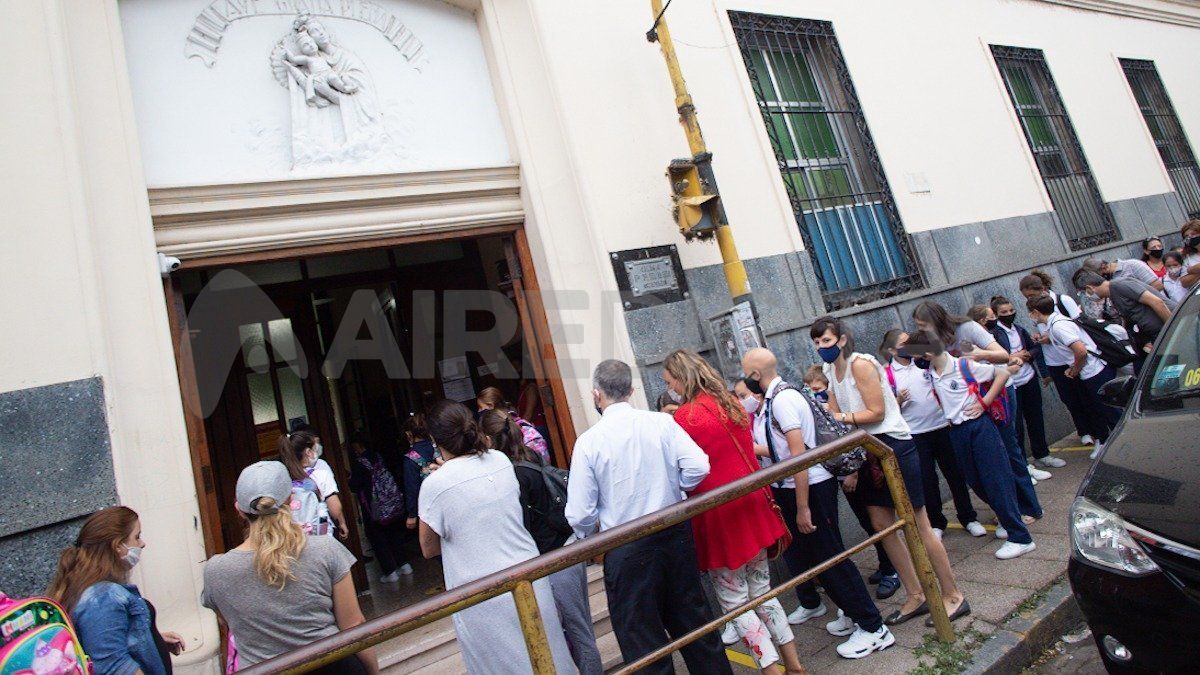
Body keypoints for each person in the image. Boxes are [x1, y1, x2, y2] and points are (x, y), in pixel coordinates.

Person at [565, 360, 731, 675]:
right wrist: (675, 488)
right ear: (630, 390)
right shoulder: (661, 423)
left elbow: (579, 513)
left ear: (596, 395)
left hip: (626, 546)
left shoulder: (589, 442)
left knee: (641, 640)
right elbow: (698, 465)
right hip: (673, 532)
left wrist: (590, 537)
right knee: (695, 624)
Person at [807, 318, 968, 628]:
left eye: (825, 341)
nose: (821, 348)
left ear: (841, 340)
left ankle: (952, 595)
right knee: (881, 523)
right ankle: (916, 593)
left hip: (892, 446)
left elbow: (876, 411)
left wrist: (837, 416)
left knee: (918, 523)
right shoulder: (829, 371)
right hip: (865, 449)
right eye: (816, 343)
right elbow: (842, 416)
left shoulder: (861, 364)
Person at [741, 347, 895, 658]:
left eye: (747, 374)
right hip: (799, 487)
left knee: (831, 558)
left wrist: (802, 506)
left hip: (809, 488)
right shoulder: (775, 398)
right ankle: (854, 614)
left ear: (756, 375)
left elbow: (798, 456)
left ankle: (873, 626)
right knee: (820, 560)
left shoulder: (783, 400)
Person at [662, 350, 806, 673]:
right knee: (763, 592)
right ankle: (794, 664)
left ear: (681, 378)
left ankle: (770, 669)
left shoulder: (685, 418)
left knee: (735, 604)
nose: (669, 387)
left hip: (718, 517)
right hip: (752, 506)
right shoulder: (728, 401)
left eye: (670, 381)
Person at [418, 401, 574, 674]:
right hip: (527, 573)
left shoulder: (435, 484)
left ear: (436, 440)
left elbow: (428, 547)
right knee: (548, 656)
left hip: (481, 589)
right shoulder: (500, 460)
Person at [201, 461, 379, 673]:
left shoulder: (216, 571)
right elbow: (353, 625)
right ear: (291, 499)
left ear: (238, 509)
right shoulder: (326, 550)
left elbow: (229, 621)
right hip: (332, 665)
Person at [479, 409, 603, 675]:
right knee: (577, 627)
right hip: (566, 548)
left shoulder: (515, 475)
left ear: (488, 440)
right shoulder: (529, 457)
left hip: (553, 558)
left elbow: (520, 524)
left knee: (576, 630)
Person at [906, 333, 1037, 560]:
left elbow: (1002, 373)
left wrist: (984, 403)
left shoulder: (962, 366)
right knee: (975, 481)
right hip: (956, 431)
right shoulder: (931, 374)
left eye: (918, 353)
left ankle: (1021, 537)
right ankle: (1008, 519)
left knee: (996, 478)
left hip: (978, 426)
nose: (916, 359)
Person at [920, 301, 1043, 521]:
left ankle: (1028, 507)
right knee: (986, 462)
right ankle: (1007, 510)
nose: (920, 331)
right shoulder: (932, 340)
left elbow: (1003, 355)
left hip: (995, 392)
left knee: (1008, 450)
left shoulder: (966, 328)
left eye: (922, 325)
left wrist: (976, 356)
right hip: (969, 403)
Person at [48, 506, 184, 675]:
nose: (142, 543)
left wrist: (152, 640)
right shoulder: (102, 597)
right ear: (118, 546)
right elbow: (114, 666)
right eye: (137, 537)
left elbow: (105, 640)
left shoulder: (95, 592)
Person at [878, 330, 985, 541]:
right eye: (903, 344)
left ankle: (968, 517)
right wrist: (898, 401)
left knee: (956, 475)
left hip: (943, 427)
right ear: (891, 350)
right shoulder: (886, 374)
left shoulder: (925, 363)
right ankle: (936, 522)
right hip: (915, 434)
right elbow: (885, 411)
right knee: (927, 480)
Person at [1026, 295, 1124, 457]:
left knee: (1110, 412)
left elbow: (1080, 351)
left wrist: (1075, 369)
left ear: (1036, 312)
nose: (1031, 317)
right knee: (1103, 411)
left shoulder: (1058, 327)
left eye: (1031, 313)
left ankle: (1123, 447)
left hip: (1094, 371)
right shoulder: (1056, 324)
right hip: (1091, 371)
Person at [967, 304, 1052, 484]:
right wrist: (1010, 365)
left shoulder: (993, 337)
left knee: (1018, 430)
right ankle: (1020, 472)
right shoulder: (975, 345)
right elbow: (991, 368)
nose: (997, 319)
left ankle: (1026, 467)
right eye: (993, 315)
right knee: (1012, 433)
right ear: (981, 321)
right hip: (999, 390)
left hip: (1011, 385)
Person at [989, 296, 1066, 472]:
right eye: (1004, 312)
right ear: (995, 314)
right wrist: (1013, 357)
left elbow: (1035, 348)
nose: (1009, 314)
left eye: (1011, 311)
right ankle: (1023, 463)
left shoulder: (1019, 329)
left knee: (1035, 418)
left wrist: (1028, 355)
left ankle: (1042, 454)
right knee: (1016, 425)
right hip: (1011, 383)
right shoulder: (995, 334)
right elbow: (995, 358)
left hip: (1028, 378)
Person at [1019, 271, 1095, 445]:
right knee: (1069, 398)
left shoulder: (1062, 301)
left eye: (1031, 295)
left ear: (1043, 289)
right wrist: (1040, 338)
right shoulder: (1035, 309)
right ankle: (1083, 430)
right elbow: (1043, 330)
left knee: (1085, 395)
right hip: (1054, 360)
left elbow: (1081, 324)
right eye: (1026, 297)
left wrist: (1053, 336)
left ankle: (1097, 429)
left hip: (1073, 357)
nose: (1028, 299)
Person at [1073, 267, 1172, 372]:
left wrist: (1172, 327)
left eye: (1083, 293)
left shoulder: (1119, 285)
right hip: (1156, 334)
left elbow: (1157, 302)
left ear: (1089, 288)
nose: (1086, 297)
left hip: (1169, 328)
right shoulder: (1113, 296)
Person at [347, 436, 412, 582]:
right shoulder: (378, 456)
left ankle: (390, 572)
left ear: (358, 446)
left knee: (377, 537)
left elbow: (354, 485)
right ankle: (404, 564)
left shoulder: (359, 463)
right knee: (394, 533)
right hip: (391, 503)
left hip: (374, 507)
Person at [279, 430, 349, 538]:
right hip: (321, 536)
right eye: (314, 448)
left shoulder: (284, 479)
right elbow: (335, 509)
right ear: (308, 452)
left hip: (296, 538)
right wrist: (342, 522)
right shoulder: (320, 475)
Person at [477, 386, 550, 462]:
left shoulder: (507, 427)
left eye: (480, 407)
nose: (479, 411)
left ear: (490, 406)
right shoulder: (521, 423)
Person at [401, 412, 439, 532]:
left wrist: (412, 515)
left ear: (409, 434)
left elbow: (412, 488)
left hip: (428, 507)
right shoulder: (439, 447)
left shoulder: (411, 458)